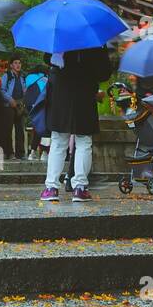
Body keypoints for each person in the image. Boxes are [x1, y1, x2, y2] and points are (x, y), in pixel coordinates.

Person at [41, 45, 113, 202]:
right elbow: (104, 72)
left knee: (59, 140)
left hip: (61, 91)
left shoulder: (59, 35)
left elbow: (47, 58)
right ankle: (79, 187)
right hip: (84, 91)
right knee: (84, 140)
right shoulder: (94, 40)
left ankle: (51, 187)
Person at [0, 57, 26, 159]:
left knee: (20, 130)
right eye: (15, 63)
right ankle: (9, 152)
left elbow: (24, 91)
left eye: (19, 63)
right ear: (11, 65)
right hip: (8, 106)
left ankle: (21, 153)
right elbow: (1, 90)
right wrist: (10, 100)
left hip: (19, 106)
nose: (18, 65)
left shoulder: (22, 77)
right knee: (8, 129)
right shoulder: (7, 76)